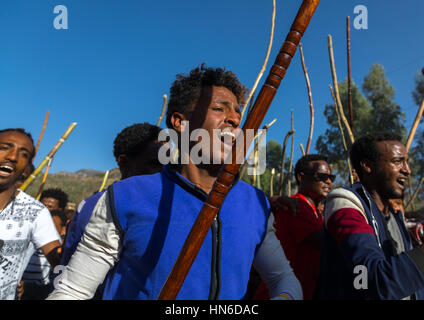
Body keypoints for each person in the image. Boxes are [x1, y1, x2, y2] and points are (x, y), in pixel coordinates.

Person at [48, 64, 301, 300]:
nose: (235, 119)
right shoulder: (126, 197)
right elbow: (72, 289)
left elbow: (284, 279)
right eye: (219, 108)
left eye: (237, 112)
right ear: (180, 123)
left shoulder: (255, 203)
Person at [317, 132, 424, 300]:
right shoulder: (344, 202)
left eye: (407, 162)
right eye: (397, 161)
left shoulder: (395, 218)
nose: (407, 170)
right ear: (367, 165)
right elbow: (370, 279)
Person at [60, 122, 164, 269]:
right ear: (124, 162)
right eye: (154, 164)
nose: (162, 172)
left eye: (168, 164)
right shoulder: (93, 207)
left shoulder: (167, 208)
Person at [254, 154, 333, 300]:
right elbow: (327, 244)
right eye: (322, 177)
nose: (328, 181)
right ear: (301, 178)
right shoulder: (297, 207)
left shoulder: (316, 213)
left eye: (330, 177)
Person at [0, 128, 61, 300]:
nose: (12, 157)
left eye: (24, 154)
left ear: (27, 167)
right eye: (5, 147)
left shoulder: (35, 212)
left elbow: (58, 259)